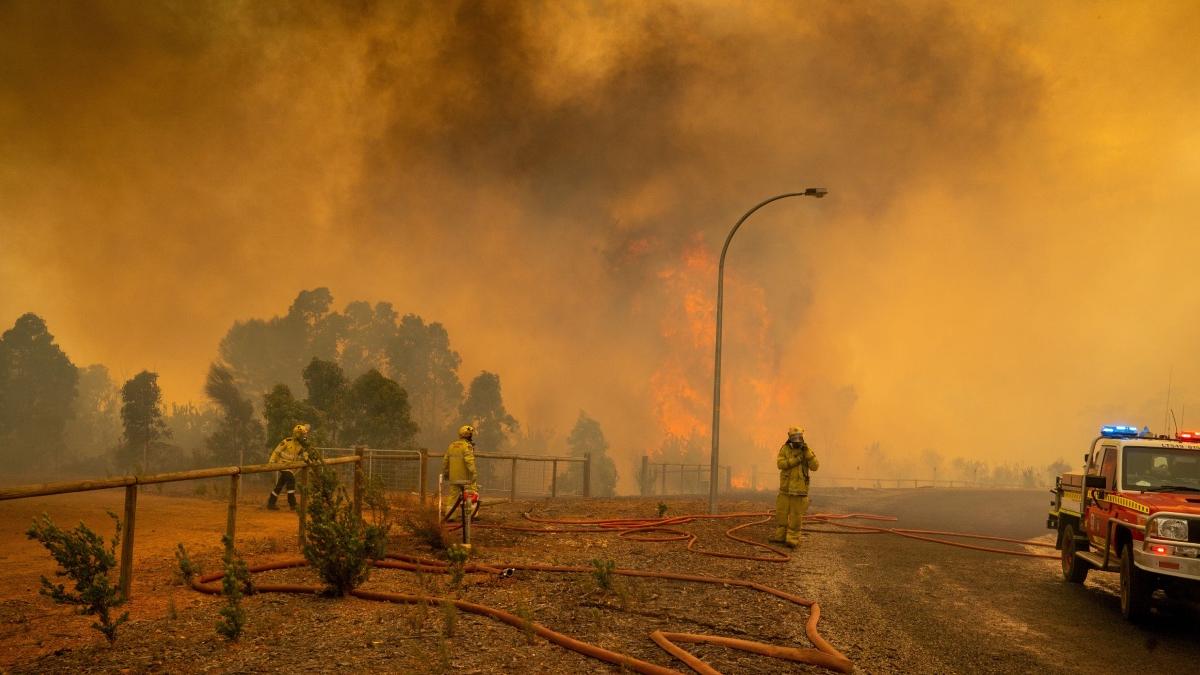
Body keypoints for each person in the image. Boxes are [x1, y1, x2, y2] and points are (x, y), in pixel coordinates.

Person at [771, 426, 819, 548]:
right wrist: (796, 460)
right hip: (785, 489)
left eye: (799, 437)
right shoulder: (785, 449)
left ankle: (792, 540)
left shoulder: (806, 451)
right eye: (794, 437)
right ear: (789, 437)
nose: (797, 440)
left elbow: (815, 467)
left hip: (799, 491)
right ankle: (780, 537)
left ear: (802, 437)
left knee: (796, 516)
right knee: (781, 513)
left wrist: (807, 453)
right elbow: (780, 464)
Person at [266, 423, 313, 510]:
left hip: (290, 468)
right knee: (291, 479)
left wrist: (307, 459)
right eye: (302, 434)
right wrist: (271, 462)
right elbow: (276, 451)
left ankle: (271, 503)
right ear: (297, 434)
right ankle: (292, 503)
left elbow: (304, 454)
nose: (304, 436)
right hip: (282, 465)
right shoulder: (287, 441)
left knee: (280, 485)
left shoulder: (300, 445)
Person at [442, 424, 479, 518]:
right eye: (471, 434)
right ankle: (472, 514)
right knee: (471, 493)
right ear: (469, 435)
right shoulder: (467, 446)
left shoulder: (452, 445)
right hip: (466, 478)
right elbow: (469, 461)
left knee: (453, 497)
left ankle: (450, 516)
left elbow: (445, 461)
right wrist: (474, 473)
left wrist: (446, 473)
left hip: (454, 477)